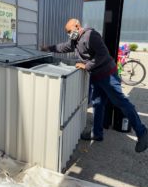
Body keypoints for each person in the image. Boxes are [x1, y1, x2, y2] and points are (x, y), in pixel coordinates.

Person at [41, 18, 148, 153]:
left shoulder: (91, 35)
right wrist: (47, 48)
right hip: (97, 76)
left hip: (108, 75)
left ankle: (142, 132)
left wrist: (86, 65)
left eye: (69, 31)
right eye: (67, 33)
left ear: (77, 26)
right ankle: (97, 133)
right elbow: (63, 47)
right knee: (98, 104)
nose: (69, 34)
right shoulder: (75, 41)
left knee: (120, 101)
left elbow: (103, 54)